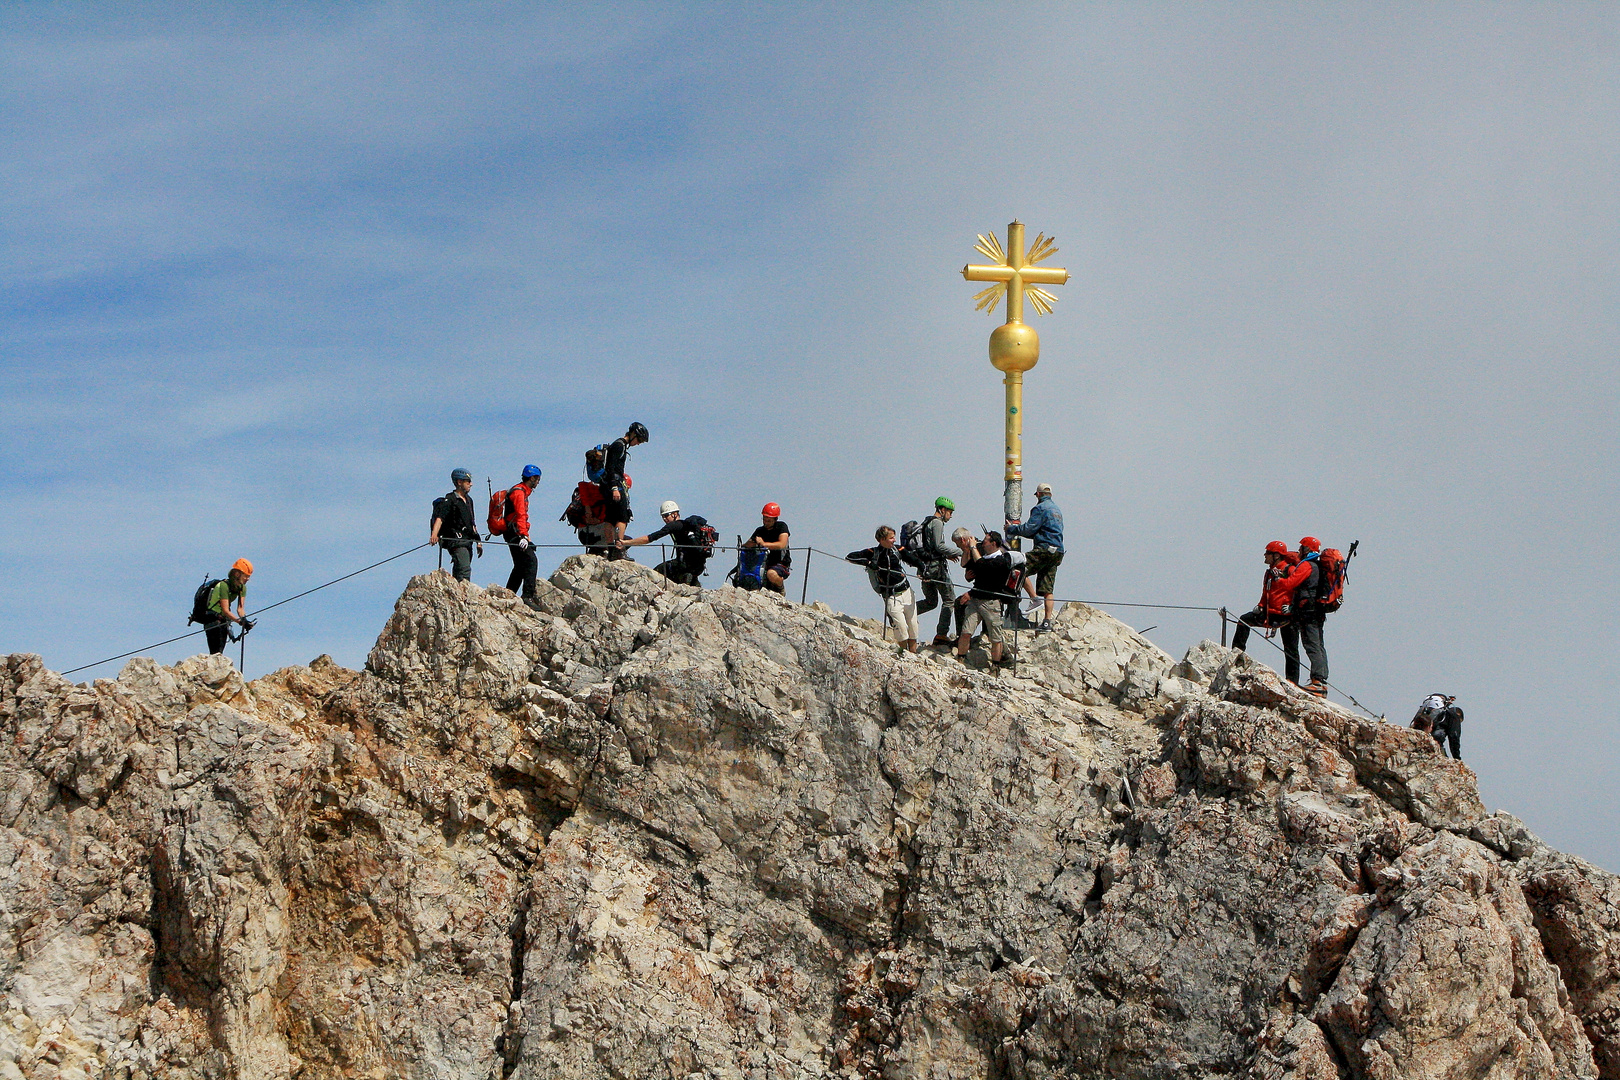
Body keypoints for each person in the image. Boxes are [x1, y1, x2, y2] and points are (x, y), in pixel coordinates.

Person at [1231, 541, 1313, 681]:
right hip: (1270, 614)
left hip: (1287, 616)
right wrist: (1261, 605)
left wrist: (1293, 607)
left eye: (1268, 553)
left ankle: (1292, 682)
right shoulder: (1270, 572)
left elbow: (1298, 590)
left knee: (1291, 650)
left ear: (1276, 555)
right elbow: (1267, 592)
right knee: (1244, 620)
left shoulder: (1290, 570)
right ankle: (1237, 655)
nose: (1265, 555)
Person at [847, 526, 919, 653]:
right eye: (891, 538)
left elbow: (914, 560)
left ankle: (913, 656)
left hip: (907, 592)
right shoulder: (873, 552)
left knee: (913, 627)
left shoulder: (898, 550)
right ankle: (903, 656)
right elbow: (850, 557)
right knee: (901, 629)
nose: (894, 540)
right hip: (891, 596)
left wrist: (923, 570)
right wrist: (869, 563)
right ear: (882, 539)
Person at [1005, 482, 1065, 631]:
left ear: (1038, 495)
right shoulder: (1057, 510)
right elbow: (1039, 531)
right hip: (1057, 552)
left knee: (1019, 569)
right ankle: (1047, 621)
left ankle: (1034, 599)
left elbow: (1029, 528)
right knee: (1048, 588)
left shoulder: (1040, 508)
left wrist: (1011, 528)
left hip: (1044, 549)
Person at [955, 530, 1013, 665]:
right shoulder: (982, 556)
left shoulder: (1000, 560)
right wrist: (967, 549)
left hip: (991, 603)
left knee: (995, 637)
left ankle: (996, 665)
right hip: (976, 600)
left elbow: (983, 566)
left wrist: (974, 547)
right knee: (966, 632)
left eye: (986, 541)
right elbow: (967, 565)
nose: (983, 543)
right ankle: (960, 659)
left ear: (993, 543)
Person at [621, 501, 712, 584]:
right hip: (699, 567)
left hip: (683, 565)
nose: (665, 519)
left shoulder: (673, 526)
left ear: (675, 514)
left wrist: (627, 542)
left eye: (666, 515)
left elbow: (650, 538)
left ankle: (683, 578)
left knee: (658, 571)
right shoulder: (687, 526)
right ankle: (692, 581)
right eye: (663, 516)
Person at [912, 497, 961, 647]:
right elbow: (939, 546)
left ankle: (903, 614)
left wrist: (947, 554)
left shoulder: (927, 522)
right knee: (949, 599)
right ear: (943, 510)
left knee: (931, 602)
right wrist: (962, 551)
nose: (951, 516)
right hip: (936, 568)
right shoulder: (937, 523)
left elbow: (932, 547)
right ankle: (941, 634)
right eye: (950, 512)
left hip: (925, 568)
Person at [599, 422, 649, 548]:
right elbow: (611, 468)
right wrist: (615, 487)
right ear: (632, 434)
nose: (638, 443)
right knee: (622, 517)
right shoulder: (619, 446)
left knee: (610, 518)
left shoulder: (619, 445)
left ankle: (610, 548)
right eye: (639, 440)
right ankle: (618, 548)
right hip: (614, 485)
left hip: (607, 485)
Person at [1291, 536, 1330, 696]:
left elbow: (1291, 583)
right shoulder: (1319, 565)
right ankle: (1321, 681)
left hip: (1309, 611)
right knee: (1319, 644)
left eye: (1301, 548)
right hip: (1317, 611)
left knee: (1312, 645)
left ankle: (1318, 682)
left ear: (1307, 549)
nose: (1299, 550)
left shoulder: (1308, 565)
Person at [430, 468, 483, 581]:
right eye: (468, 481)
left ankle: (457, 591)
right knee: (464, 569)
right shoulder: (450, 499)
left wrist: (478, 541)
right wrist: (434, 535)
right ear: (459, 482)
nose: (471, 484)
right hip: (455, 540)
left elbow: (472, 522)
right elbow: (440, 518)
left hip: (468, 540)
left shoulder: (469, 500)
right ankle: (463, 593)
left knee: (460, 568)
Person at [504, 465, 542, 601]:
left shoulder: (520, 491)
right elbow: (521, 515)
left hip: (513, 532)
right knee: (531, 561)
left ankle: (509, 593)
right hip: (515, 533)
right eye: (537, 479)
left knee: (520, 565)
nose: (538, 482)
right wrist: (524, 536)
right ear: (532, 478)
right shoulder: (519, 493)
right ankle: (527, 596)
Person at [203, 559, 254, 656]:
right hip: (212, 618)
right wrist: (240, 622)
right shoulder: (223, 586)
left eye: (249, 576)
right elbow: (225, 610)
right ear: (237, 574)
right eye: (246, 576)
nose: (247, 579)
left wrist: (245, 620)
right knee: (216, 652)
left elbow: (240, 609)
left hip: (223, 620)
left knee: (219, 652)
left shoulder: (242, 588)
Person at [747, 502, 792, 594]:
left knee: (771, 574)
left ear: (775, 519)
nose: (765, 523)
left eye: (769, 520)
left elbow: (781, 544)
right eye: (764, 519)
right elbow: (748, 544)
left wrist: (763, 544)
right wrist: (751, 543)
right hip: (762, 563)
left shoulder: (781, 527)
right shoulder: (760, 530)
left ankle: (780, 588)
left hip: (780, 563)